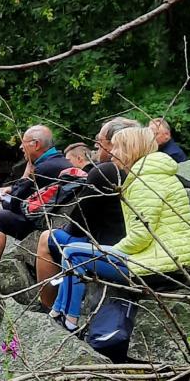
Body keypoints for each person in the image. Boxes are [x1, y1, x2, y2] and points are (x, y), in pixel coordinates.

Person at [49, 123, 190, 330]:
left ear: (131, 149)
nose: (112, 154)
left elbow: (141, 236)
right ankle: (61, 314)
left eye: (118, 147)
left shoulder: (144, 181)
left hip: (161, 267)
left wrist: (109, 251)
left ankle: (67, 321)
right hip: (172, 261)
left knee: (73, 253)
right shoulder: (155, 175)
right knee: (76, 252)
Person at [33, 118, 132, 306]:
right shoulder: (147, 169)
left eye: (99, 140)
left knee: (48, 238)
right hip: (147, 250)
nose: (95, 146)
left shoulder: (104, 172)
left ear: (113, 143)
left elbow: (77, 225)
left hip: (113, 250)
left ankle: (47, 309)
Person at [0, 126, 71, 263]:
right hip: (57, 219)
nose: (21, 147)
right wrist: (12, 188)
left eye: (24, 142)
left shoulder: (42, 169)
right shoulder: (62, 163)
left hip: (42, 223)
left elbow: (14, 203)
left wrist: (26, 174)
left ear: (36, 144)